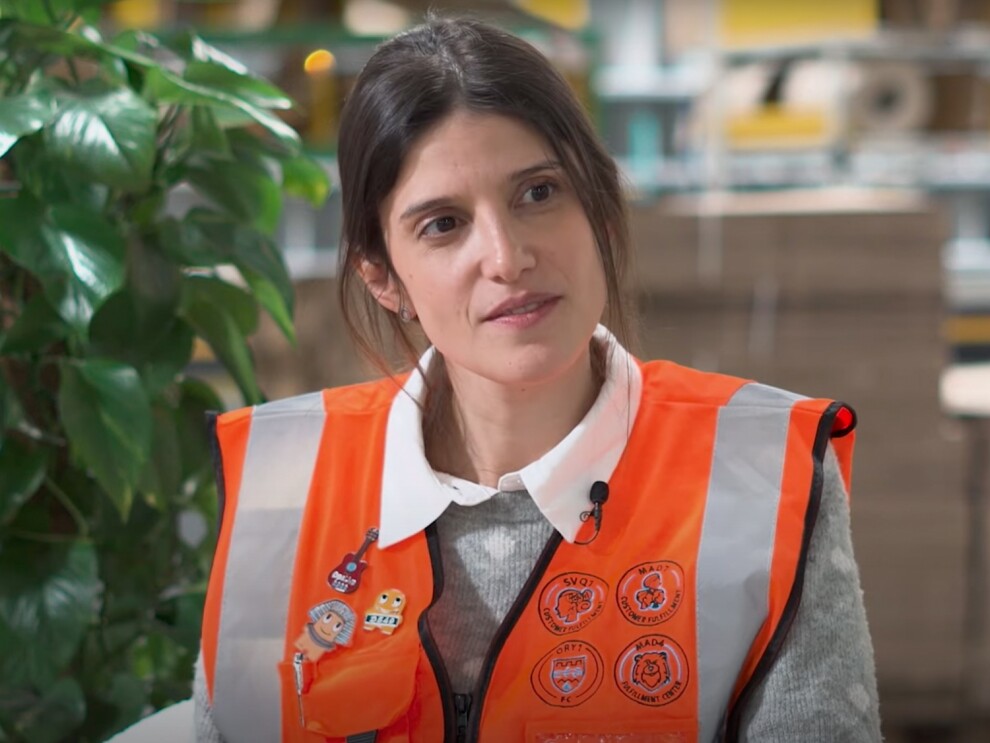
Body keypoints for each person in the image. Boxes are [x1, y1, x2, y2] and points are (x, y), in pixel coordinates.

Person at [193, 15, 880, 742]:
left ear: (601, 212)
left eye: (539, 193)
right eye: (443, 224)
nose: (506, 255)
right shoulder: (282, 482)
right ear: (383, 276)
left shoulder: (765, 472)